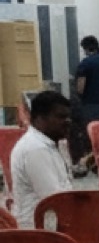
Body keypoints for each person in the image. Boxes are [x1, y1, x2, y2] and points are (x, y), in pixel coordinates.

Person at [10, 87, 73, 225]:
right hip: (38, 229)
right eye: (61, 117)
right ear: (39, 119)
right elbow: (55, 199)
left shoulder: (51, 143)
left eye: (68, 117)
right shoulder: (35, 148)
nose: (68, 121)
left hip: (52, 223)